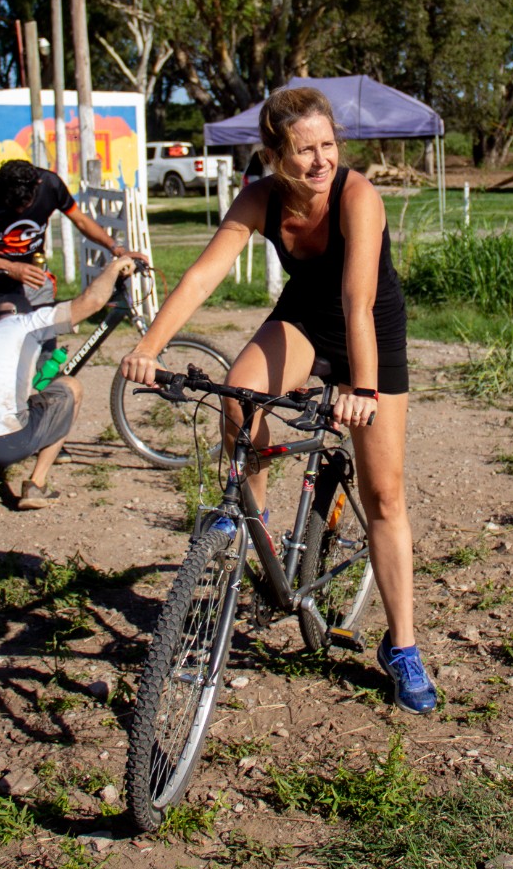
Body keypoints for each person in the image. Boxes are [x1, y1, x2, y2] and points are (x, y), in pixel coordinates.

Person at [121, 85, 437, 713]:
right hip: (302, 320)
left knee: (385, 494)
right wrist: (149, 348)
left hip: (371, 326)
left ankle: (401, 646)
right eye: (302, 151)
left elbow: (357, 301)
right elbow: (204, 274)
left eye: (327, 146)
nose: (319, 161)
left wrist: (361, 388)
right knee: (239, 400)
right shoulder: (260, 198)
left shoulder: (357, 197)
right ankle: (251, 534)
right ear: (273, 155)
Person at [0, 254, 136, 509]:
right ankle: (36, 484)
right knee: (72, 386)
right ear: (24, 311)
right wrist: (115, 266)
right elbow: (92, 301)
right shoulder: (28, 323)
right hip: (6, 443)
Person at [0, 159, 139, 315]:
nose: (19, 210)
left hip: (35, 274)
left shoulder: (50, 184)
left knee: (43, 343)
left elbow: (81, 221)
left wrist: (115, 247)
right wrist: (9, 267)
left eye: (26, 204)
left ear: (38, 186)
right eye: (12, 205)